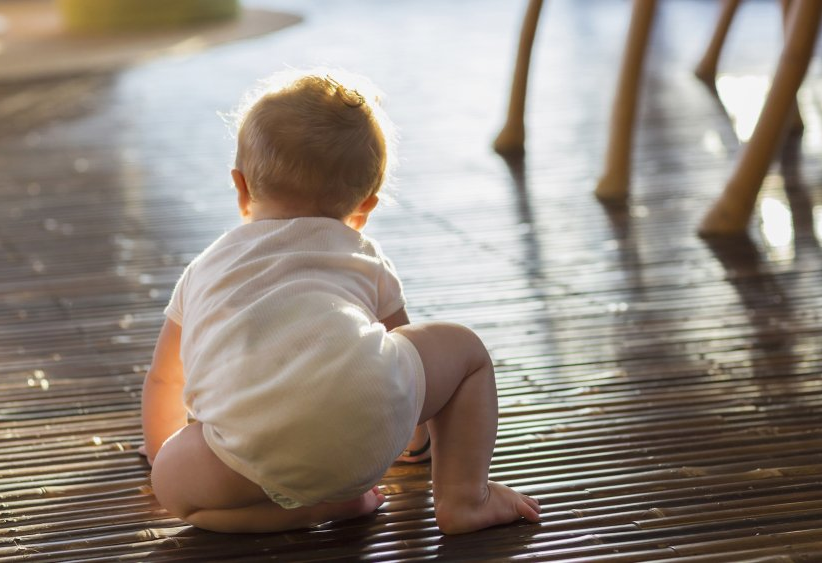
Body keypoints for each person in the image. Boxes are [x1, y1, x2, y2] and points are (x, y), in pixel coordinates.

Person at [141, 69, 541, 535]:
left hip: (244, 460)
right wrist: (412, 441)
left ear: (241, 186)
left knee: (173, 484)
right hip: (365, 443)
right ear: (365, 207)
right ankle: (465, 498)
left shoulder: (207, 268)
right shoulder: (364, 257)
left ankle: (312, 512)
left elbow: (166, 378)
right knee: (465, 351)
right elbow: (404, 348)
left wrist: (164, 452)